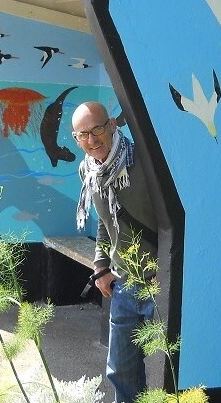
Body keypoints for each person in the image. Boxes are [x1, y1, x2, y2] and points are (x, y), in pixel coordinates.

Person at [72, 101, 158, 403]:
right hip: (124, 281)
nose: (92, 140)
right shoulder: (88, 169)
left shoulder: (143, 161)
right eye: (83, 135)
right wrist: (101, 267)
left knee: (172, 366)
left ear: (111, 125)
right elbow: (105, 221)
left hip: (161, 279)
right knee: (121, 369)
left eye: (96, 130)